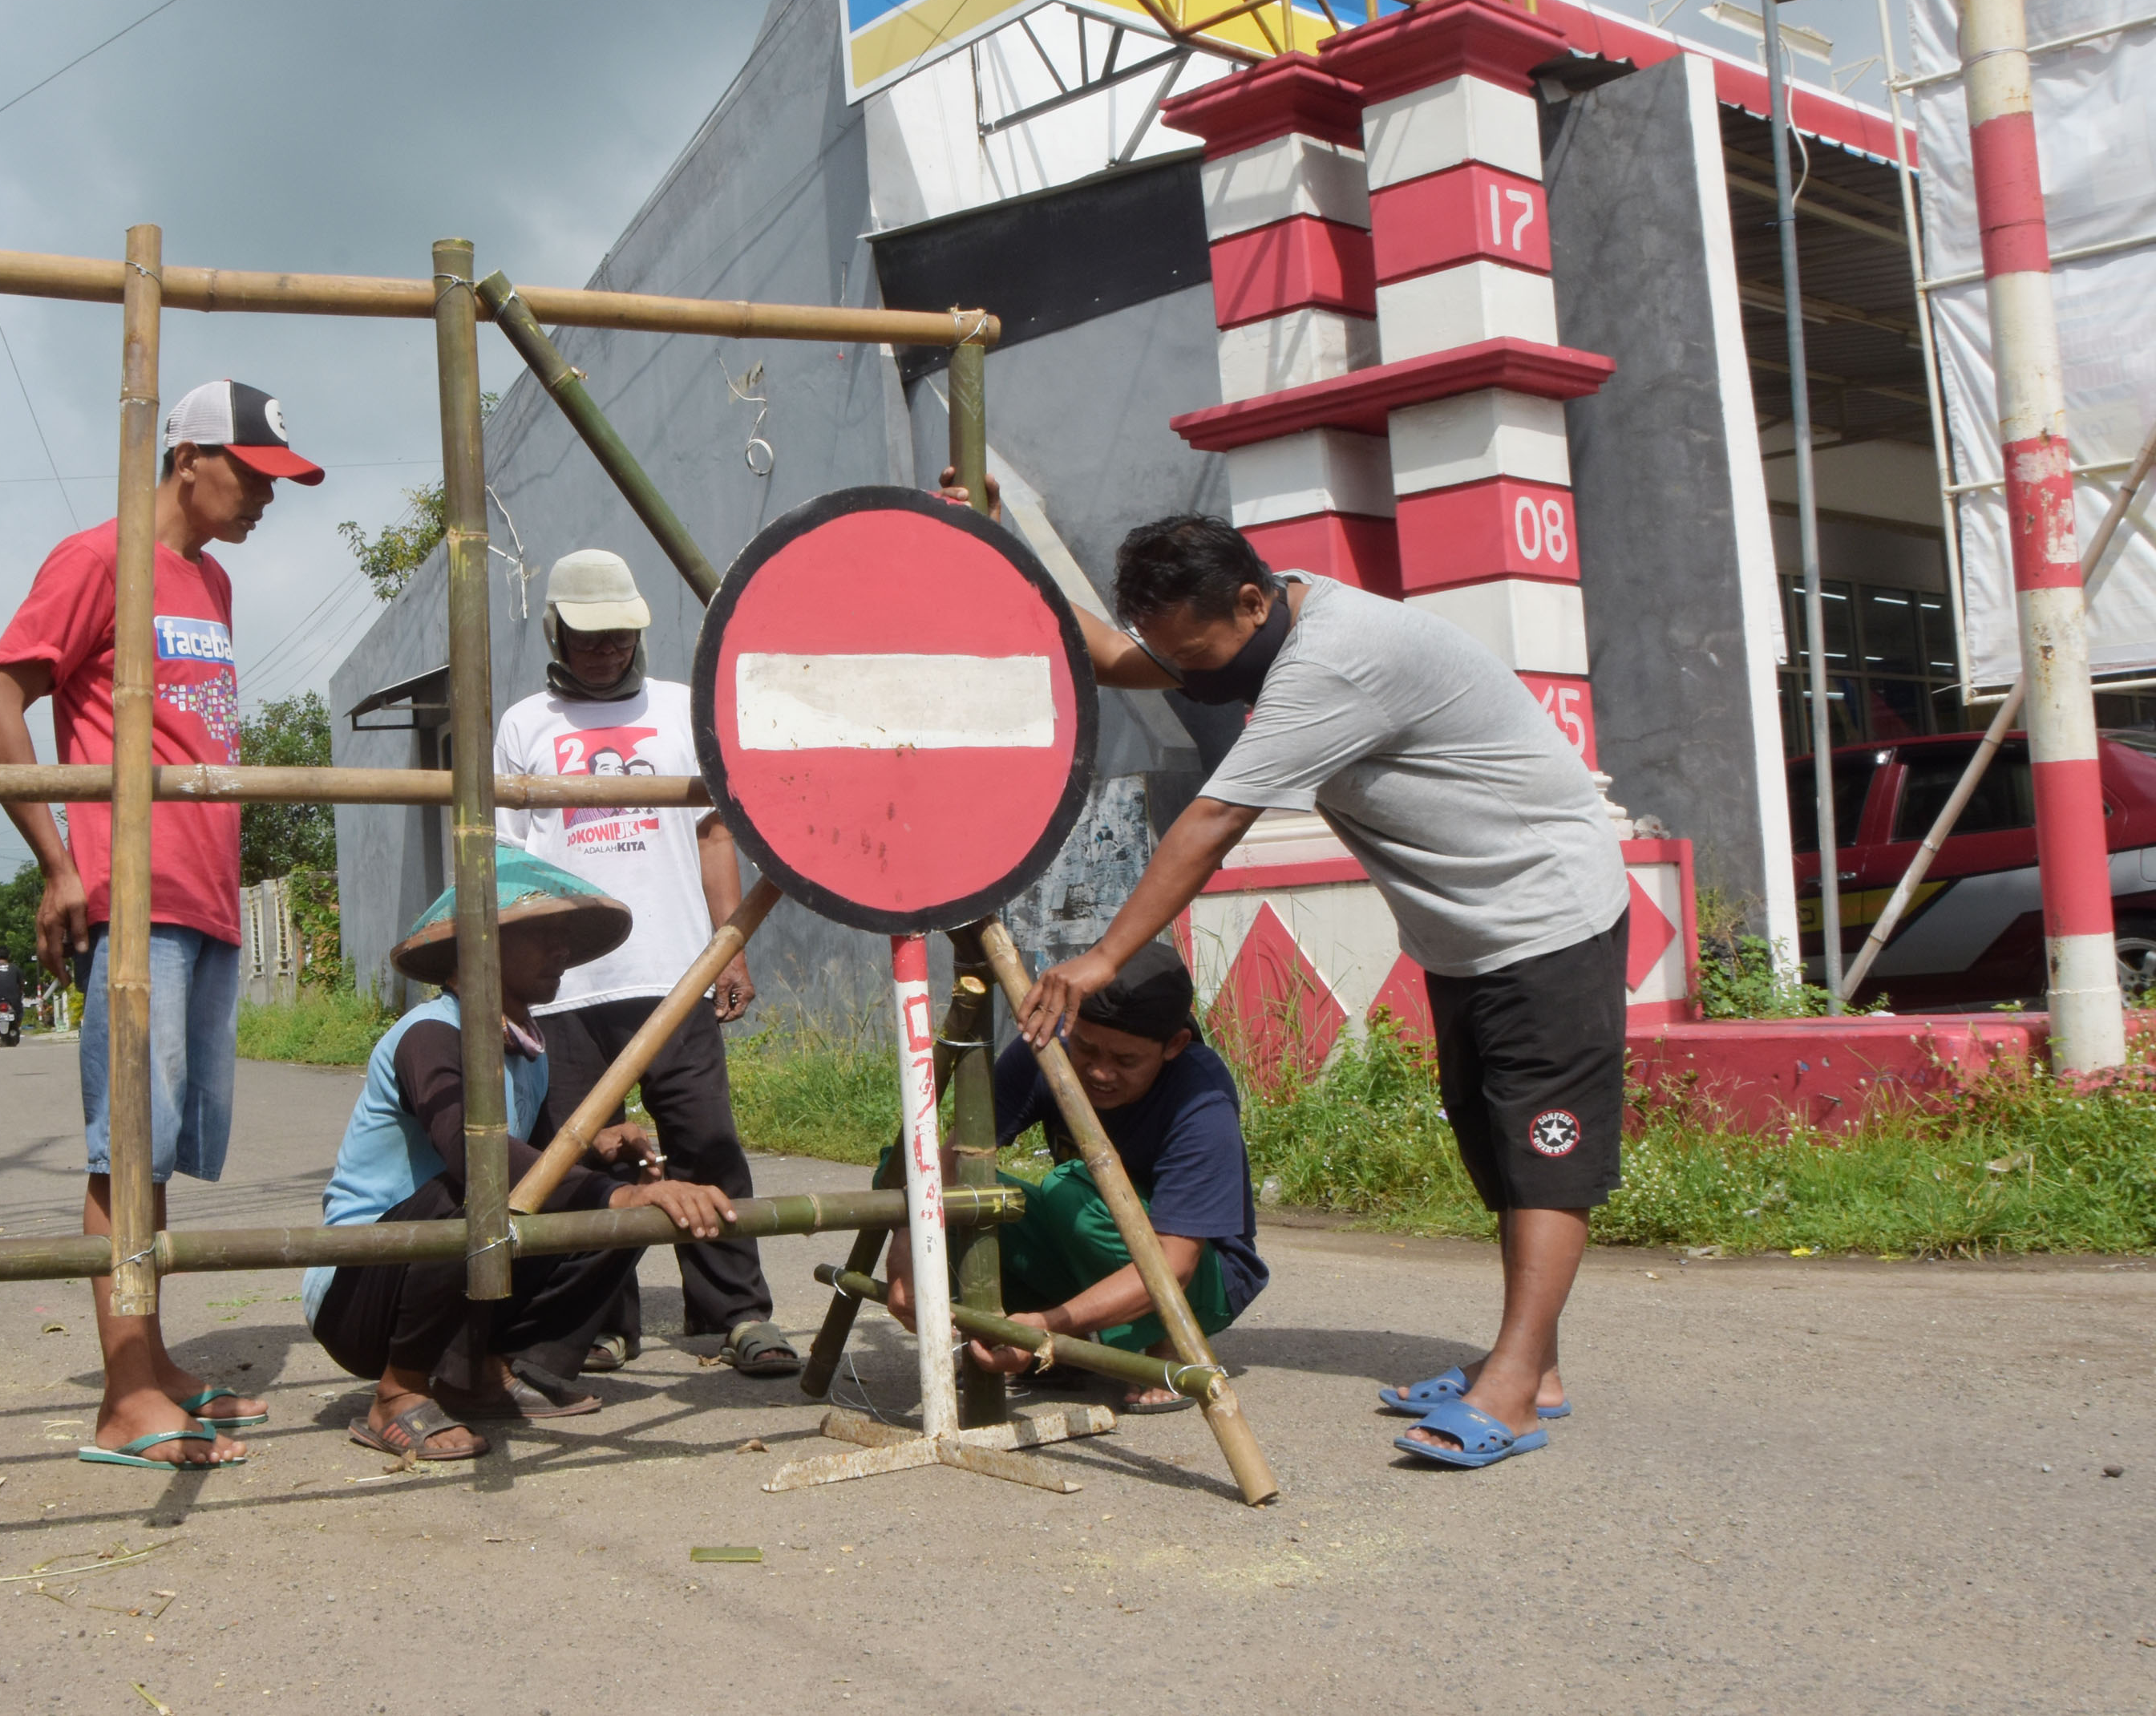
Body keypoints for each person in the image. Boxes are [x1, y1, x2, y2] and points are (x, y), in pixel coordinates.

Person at [949, 497, 1625, 1470]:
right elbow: (1102, 654)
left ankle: (1514, 1390)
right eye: (1174, 651)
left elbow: (1214, 821)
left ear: (1254, 603)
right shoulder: (1248, 630)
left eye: (1203, 655)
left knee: (1543, 1157)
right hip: (1467, 937)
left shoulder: (1332, 663)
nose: (1195, 674)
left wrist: (1101, 958)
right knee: (1496, 1150)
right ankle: (1534, 1366)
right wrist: (998, 527)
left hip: (1546, 921)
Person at [0, 378, 322, 1471]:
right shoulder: (96, 559)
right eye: (253, 477)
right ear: (189, 460)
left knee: (154, 1144)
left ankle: (151, 1361)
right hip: (134, 891)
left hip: (205, 889)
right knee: (124, 1138)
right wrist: (58, 862)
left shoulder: (209, 580)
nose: (265, 499)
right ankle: (123, 1396)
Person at [305, 848, 738, 1460]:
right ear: (478, 949)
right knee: (484, 1187)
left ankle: (481, 1367)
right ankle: (397, 1392)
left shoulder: (527, 1050)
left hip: (447, 1263)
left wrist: (604, 1151)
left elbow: (537, 1166)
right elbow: (474, 1158)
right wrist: (617, 1194)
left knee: (613, 1179)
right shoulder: (430, 1034)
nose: (561, 950)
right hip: (363, 1290)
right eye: (542, 935)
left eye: (565, 936)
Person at [491, 547, 797, 1382]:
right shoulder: (524, 725)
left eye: (620, 635)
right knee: (583, 1155)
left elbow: (715, 831)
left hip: (673, 968)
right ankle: (598, 1323)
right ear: (554, 630)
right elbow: (510, 865)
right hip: (566, 985)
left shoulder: (681, 709)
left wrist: (727, 941)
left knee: (704, 1142)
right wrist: (515, 982)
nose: (605, 651)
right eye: (588, 638)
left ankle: (734, 1314)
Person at [884, 941, 1264, 1411]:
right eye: (1086, 1047)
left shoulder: (1200, 1095)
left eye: (1126, 1061)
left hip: (1203, 1280)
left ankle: (1166, 1340)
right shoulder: (1046, 1049)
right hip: (1091, 1250)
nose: (1100, 1072)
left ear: (1173, 1046)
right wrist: (907, 1249)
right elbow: (949, 1160)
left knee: (1069, 1190)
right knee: (943, 1188)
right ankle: (1073, 1346)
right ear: (1070, 1024)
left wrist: (1045, 1324)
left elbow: (1177, 1263)